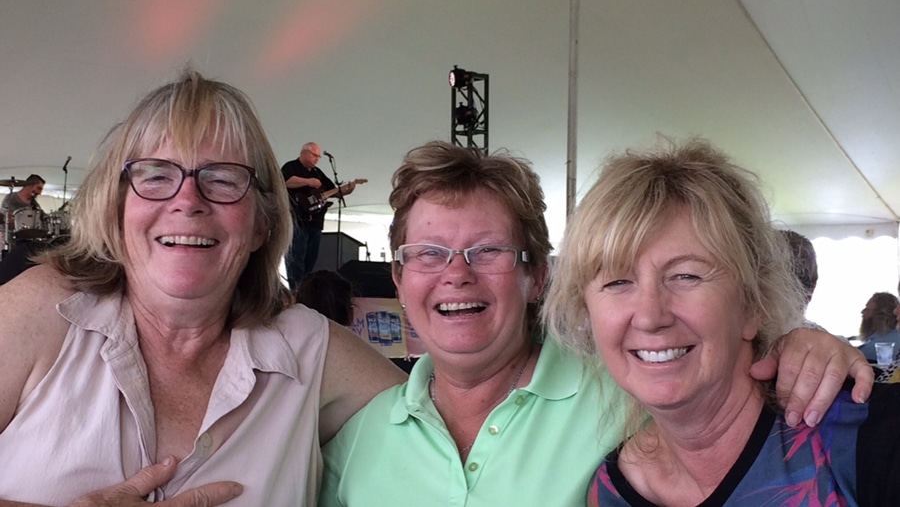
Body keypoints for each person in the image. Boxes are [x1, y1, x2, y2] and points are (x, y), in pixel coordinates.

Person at [320, 141, 873, 507]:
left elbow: (717, 377)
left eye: (488, 250)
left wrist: (801, 342)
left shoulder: (627, 388)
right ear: (397, 277)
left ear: (537, 275)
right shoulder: (355, 442)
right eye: (428, 252)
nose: (456, 274)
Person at [0, 69, 405, 506]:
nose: (188, 201)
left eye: (223, 179)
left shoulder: (308, 348)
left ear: (261, 225)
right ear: (115, 208)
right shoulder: (42, 310)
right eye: (156, 175)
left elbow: (459, 425)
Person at [543, 139, 896, 506]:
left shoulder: (868, 439)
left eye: (686, 276)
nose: (650, 316)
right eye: (617, 282)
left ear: (752, 304)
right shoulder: (611, 491)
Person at [282, 143, 356, 293]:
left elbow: (331, 191)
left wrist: (346, 190)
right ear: (304, 153)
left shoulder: (318, 173)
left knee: (311, 259)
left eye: (318, 156)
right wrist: (308, 181)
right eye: (314, 155)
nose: (317, 159)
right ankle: (294, 291)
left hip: (316, 223)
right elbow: (285, 182)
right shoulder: (291, 166)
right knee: (297, 259)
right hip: (298, 221)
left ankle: (304, 291)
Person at [856, 292, 900, 362]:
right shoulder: (895, 335)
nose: (862, 312)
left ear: (880, 314)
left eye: (867, 309)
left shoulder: (879, 346)